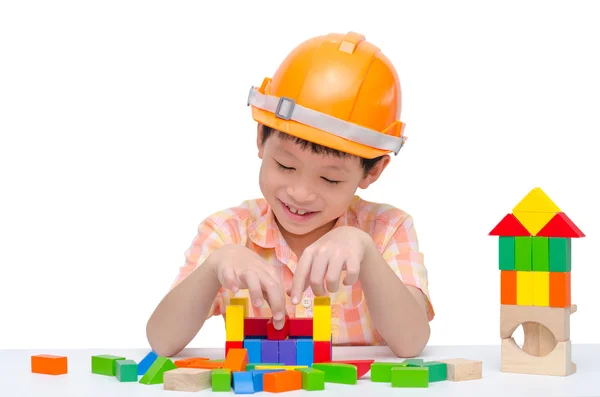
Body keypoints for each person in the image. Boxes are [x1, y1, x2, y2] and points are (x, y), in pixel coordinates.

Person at [146, 31, 434, 358]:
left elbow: (411, 342)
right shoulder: (227, 232)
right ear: (260, 139)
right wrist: (215, 267)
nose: (300, 193)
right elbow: (161, 340)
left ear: (373, 171)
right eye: (285, 165)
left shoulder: (387, 229)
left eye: (329, 178)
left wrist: (365, 251)